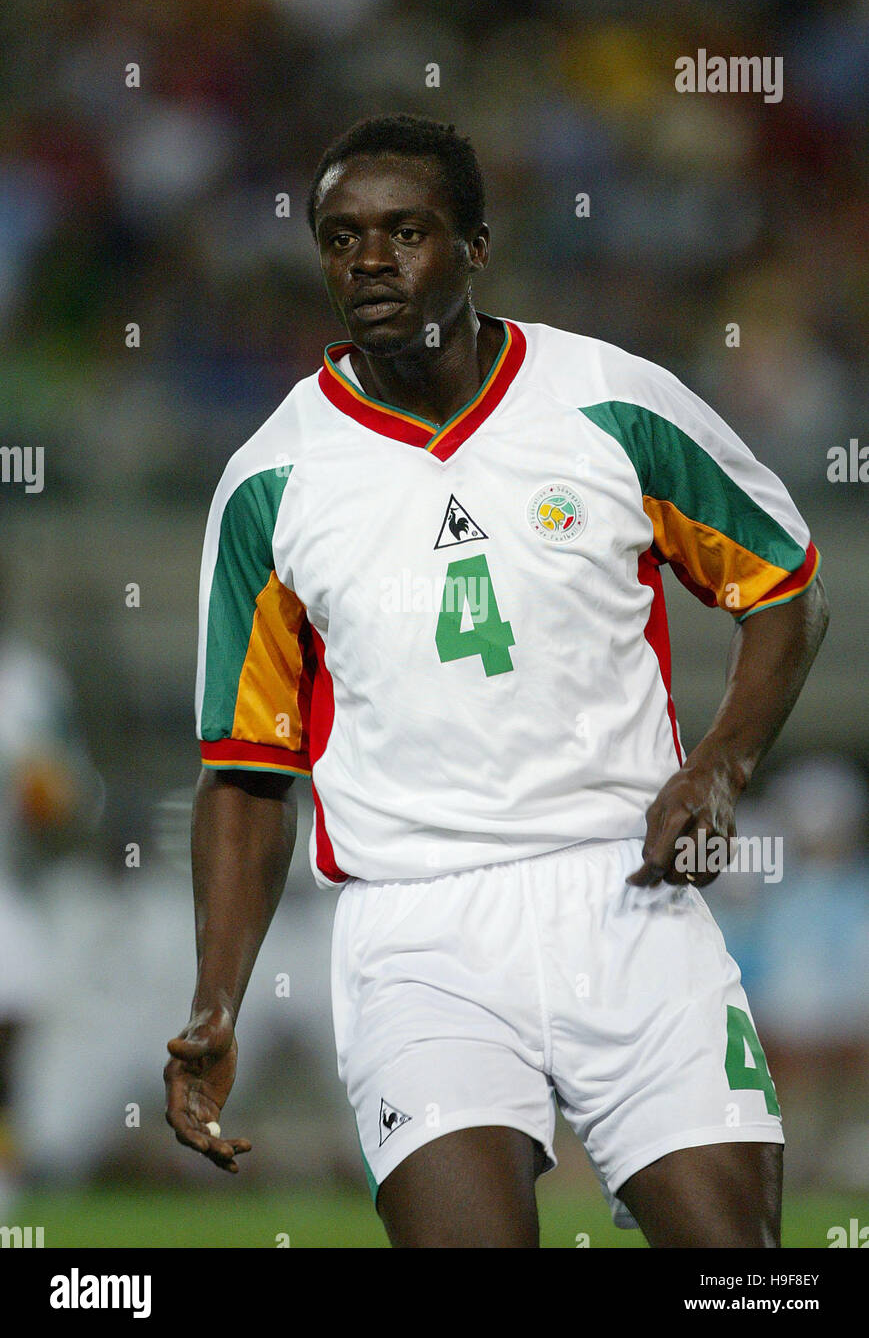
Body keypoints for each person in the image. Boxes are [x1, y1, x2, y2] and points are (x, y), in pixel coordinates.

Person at [164, 115, 829, 1248]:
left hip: (630, 900)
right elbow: (244, 771)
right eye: (339, 239)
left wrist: (720, 766)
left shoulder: (612, 403)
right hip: (416, 934)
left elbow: (784, 587)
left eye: (403, 232)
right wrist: (217, 999)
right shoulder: (271, 483)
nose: (368, 262)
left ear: (474, 244)